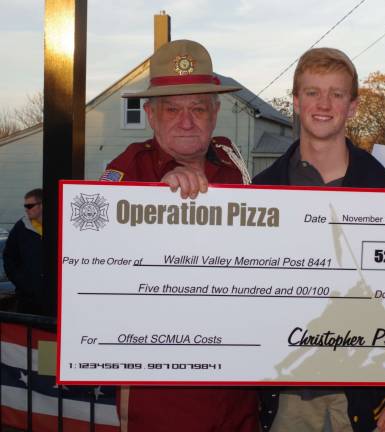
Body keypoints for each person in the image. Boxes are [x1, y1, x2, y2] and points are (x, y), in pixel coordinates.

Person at [252, 48, 385, 432]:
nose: (324, 104)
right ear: (296, 102)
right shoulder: (263, 191)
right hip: (288, 393)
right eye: (313, 92)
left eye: (337, 93)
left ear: (352, 106)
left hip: (367, 389)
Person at [99, 39, 257, 432]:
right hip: (164, 386)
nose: (186, 121)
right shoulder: (126, 173)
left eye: (198, 108)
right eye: (172, 108)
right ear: (151, 115)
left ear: (215, 113)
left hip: (237, 381)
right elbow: (90, 269)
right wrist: (157, 207)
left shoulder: (233, 165)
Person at [3, 188, 43, 314]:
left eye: (30, 205)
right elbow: (9, 258)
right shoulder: (21, 227)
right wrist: (23, 284)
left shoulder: (60, 226)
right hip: (28, 299)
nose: (26, 209)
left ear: (42, 205)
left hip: (54, 298)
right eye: (25, 206)